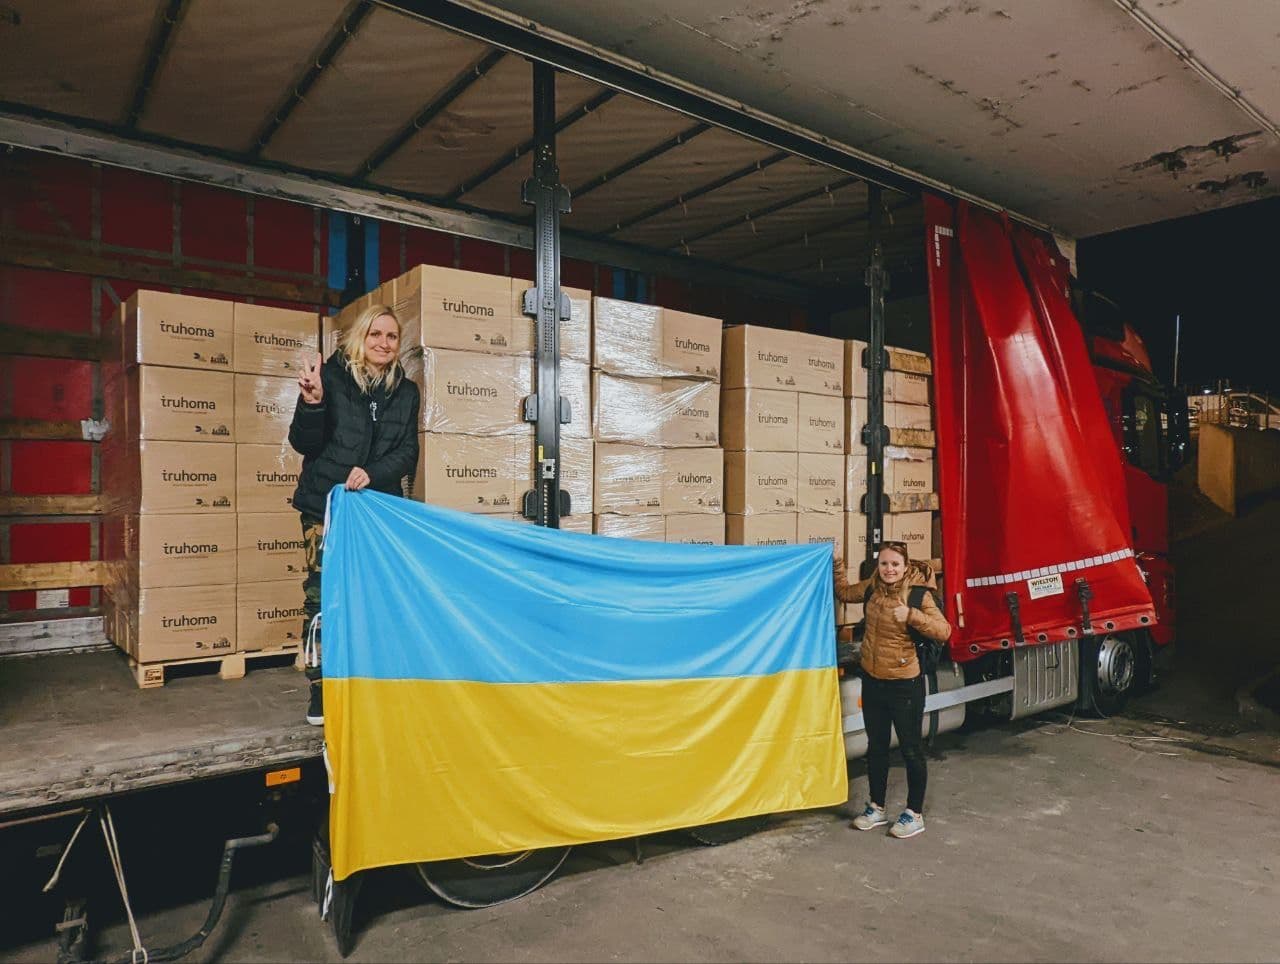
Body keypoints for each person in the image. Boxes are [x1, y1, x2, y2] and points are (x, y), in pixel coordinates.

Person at [288, 304, 420, 726]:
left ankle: (368, 682)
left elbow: (408, 451)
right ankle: (320, 689)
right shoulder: (331, 378)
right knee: (322, 597)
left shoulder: (406, 392)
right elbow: (305, 443)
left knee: (374, 597)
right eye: (375, 334)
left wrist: (373, 473)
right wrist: (312, 402)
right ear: (360, 338)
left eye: (391, 336)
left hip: (377, 511)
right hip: (325, 507)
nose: (383, 343)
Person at [833, 541, 951, 839]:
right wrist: (836, 563)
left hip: (905, 685)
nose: (889, 569)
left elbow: (944, 631)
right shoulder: (872, 588)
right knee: (876, 747)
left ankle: (914, 813)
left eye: (895, 564)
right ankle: (877, 807)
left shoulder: (918, 595)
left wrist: (911, 616)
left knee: (911, 749)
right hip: (873, 682)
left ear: (905, 566)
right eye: (884, 563)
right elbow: (844, 593)